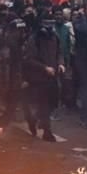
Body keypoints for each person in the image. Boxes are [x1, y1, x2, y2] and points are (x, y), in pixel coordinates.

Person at [23, 13, 63, 141]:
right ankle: (47, 132)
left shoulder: (54, 37)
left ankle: (35, 118)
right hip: (39, 77)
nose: (49, 26)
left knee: (52, 102)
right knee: (44, 103)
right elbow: (30, 59)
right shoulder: (34, 39)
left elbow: (59, 52)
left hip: (53, 75)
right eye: (47, 23)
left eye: (51, 23)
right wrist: (44, 68)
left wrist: (61, 64)